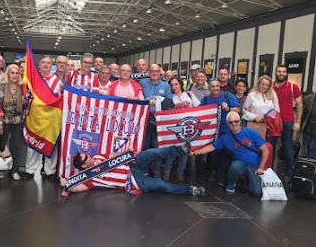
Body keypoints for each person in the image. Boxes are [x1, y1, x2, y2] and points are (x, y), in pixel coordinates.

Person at [61, 144, 206, 197]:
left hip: (132, 165)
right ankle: (190, 190)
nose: (90, 155)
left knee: (152, 153)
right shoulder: (89, 179)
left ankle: (180, 150)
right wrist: (66, 183)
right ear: (84, 166)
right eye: (87, 157)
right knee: (161, 185)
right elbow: (76, 188)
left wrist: (126, 152)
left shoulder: (98, 156)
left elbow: (113, 156)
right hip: (133, 181)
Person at [190, 112, 269, 197]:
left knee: (258, 193)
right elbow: (211, 147)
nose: (234, 124)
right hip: (240, 164)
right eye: (231, 122)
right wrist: (194, 152)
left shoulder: (251, 132)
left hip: (254, 166)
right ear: (227, 124)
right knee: (235, 166)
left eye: (236, 121)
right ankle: (231, 184)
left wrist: (261, 167)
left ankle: (247, 182)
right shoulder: (225, 138)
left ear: (240, 121)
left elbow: (265, 150)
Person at [24, 55, 62, 181]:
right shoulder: (33, 78)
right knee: (33, 143)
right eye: (43, 62)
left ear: (52, 66)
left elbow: (60, 98)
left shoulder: (57, 81)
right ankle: (30, 170)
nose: (46, 65)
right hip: (35, 117)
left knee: (51, 145)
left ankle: (49, 171)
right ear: (38, 65)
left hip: (51, 118)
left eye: (48, 63)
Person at [200, 78, 239, 185]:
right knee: (213, 154)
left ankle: (224, 176)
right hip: (212, 132)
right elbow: (198, 113)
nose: (215, 88)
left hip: (227, 131)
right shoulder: (205, 100)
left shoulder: (228, 96)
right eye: (213, 86)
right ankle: (215, 174)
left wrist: (228, 108)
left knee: (226, 155)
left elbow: (237, 110)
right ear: (209, 88)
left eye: (217, 86)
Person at [163, 76, 200, 181]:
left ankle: (180, 173)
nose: (174, 87)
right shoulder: (169, 97)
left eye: (176, 84)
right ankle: (167, 172)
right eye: (172, 85)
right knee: (171, 152)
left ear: (180, 84)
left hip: (188, 129)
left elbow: (198, 108)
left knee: (184, 152)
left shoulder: (189, 95)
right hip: (174, 129)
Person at [273, 65, 303, 182]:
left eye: (283, 72)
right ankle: (270, 171)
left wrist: (298, 122)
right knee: (272, 147)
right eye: (279, 71)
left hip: (287, 121)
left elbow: (300, 104)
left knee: (287, 147)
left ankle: (289, 173)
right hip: (272, 121)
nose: (281, 73)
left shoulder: (292, 86)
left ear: (287, 73)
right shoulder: (270, 87)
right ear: (276, 72)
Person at [0, 64, 26, 180]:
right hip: (4, 121)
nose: (14, 75)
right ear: (8, 74)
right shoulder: (2, 87)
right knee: (2, 146)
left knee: (16, 147)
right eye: (12, 73)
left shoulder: (22, 87)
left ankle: (14, 170)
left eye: (16, 73)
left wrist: (25, 101)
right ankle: (1, 168)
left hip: (18, 122)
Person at [243, 75, 280, 150]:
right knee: (256, 148)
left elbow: (277, 110)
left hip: (270, 127)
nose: (264, 87)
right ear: (259, 83)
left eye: (267, 85)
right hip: (256, 125)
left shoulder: (273, 94)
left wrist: (270, 118)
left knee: (269, 148)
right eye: (263, 84)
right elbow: (244, 110)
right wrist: (254, 117)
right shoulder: (251, 95)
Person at [302, 92, 316, 158]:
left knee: (312, 149)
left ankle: (311, 165)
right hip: (307, 128)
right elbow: (302, 112)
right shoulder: (308, 98)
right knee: (305, 148)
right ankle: (305, 165)